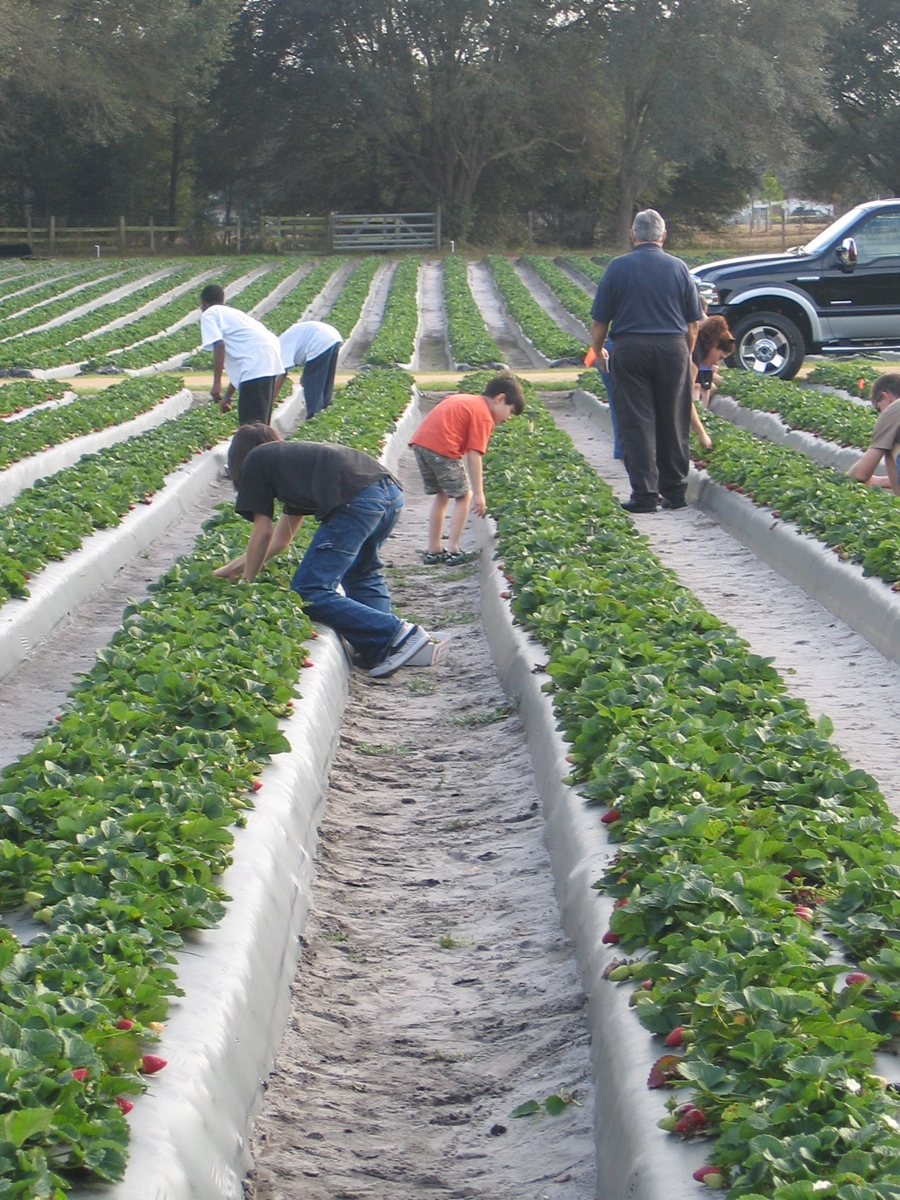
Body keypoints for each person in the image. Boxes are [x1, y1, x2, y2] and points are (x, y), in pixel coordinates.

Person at [214, 423, 449, 677]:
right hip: (389, 492)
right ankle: (384, 647)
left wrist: (247, 584)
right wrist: (232, 568)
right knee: (361, 573)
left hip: (357, 500)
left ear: (239, 456)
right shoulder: (290, 465)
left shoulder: (255, 460)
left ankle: (400, 634)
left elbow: (263, 532)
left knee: (309, 590)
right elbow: (281, 540)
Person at [590, 209, 703, 513]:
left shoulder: (617, 268)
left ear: (633, 235)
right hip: (672, 346)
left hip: (630, 347)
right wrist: (686, 353)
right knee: (674, 419)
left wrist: (598, 349)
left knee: (636, 422)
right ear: (663, 236)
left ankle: (645, 495)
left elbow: (600, 320)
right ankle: (675, 492)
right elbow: (694, 323)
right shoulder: (679, 268)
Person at [409, 372, 526, 565]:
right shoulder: (484, 416)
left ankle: (434, 549)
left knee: (443, 494)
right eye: (510, 411)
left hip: (421, 444)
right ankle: (453, 549)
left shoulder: (465, 399)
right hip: (442, 448)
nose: (508, 418)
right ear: (500, 399)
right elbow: (474, 455)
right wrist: (479, 493)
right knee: (464, 496)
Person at [199, 285, 283, 425]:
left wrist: (217, 384)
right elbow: (243, 363)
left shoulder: (209, 313)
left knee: (251, 425)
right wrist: (228, 396)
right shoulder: (232, 314)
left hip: (259, 362)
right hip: (267, 359)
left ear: (203, 303)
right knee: (259, 423)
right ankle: (263, 445)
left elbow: (219, 345)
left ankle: (259, 446)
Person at [274, 320, 344, 419]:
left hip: (320, 340)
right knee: (325, 382)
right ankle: (324, 413)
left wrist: (271, 401)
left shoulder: (278, 350)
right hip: (331, 337)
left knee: (313, 385)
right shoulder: (280, 343)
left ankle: (314, 419)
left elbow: (282, 374)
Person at [846, 373, 900, 493]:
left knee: (889, 446)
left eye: (879, 408)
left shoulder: (892, 411)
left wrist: (842, 481)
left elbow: (861, 474)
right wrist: (880, 481)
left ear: (885, 397)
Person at [693, 315, 735, 410]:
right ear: (715, 345)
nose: (716, 363)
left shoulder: (697, 350)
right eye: (720, 357)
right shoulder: (694, 354)